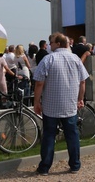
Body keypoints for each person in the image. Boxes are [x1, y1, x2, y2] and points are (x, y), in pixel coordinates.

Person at [33, 32, 90, 176]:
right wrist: (80, 99)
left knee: (49, 136)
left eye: (51, 42)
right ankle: (75, 165)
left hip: (51, 106)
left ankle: (45, 167)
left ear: (58, 44)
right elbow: (83, 81)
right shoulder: (75, 59)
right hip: (70, 104)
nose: (49, 45)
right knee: (72, 135)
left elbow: (39, 82)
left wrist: (36, 102)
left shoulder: (48, 59)